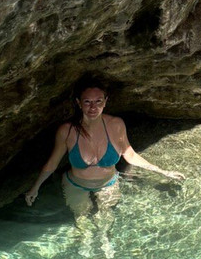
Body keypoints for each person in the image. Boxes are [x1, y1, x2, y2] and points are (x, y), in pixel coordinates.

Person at [24, 79, 185, 218]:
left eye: (98, 101)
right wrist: (34, 188)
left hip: (109, 182)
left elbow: (130, 154)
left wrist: (163, 172)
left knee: (107, 216)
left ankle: (105, 242)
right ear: (79, 103)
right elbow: (52, 163)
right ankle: (86, 244)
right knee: (81, 218)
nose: (93, 107)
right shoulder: (67, 131)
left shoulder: (116, 125)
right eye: (87, 102)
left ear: (105, 101)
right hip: (76, 184)